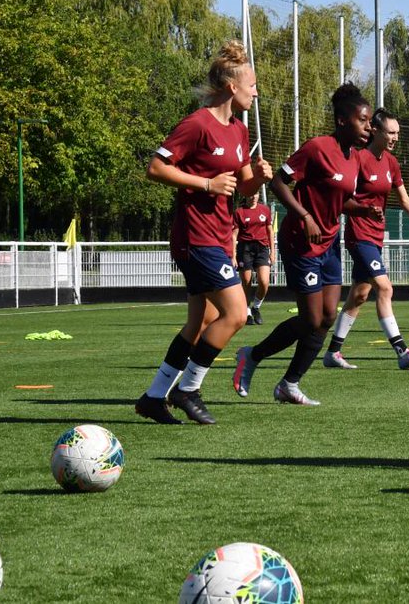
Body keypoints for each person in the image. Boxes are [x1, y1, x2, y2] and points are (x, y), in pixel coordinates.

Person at [134, 40, 274, 425]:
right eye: (253, 85)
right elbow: (156, 168)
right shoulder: (197, 124)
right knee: (237, 313)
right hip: (193, 238)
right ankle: (188, 389)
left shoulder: (239, 132)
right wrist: (205, 184)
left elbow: (242, 187)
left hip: (216, 236)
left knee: (199, 323)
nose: (256, 91)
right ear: (233, 87)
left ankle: (153, 397)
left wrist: (257, 179)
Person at [231, 83, 370, 404]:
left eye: (368, 121)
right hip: (300, 243)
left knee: (326, 318)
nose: (367, 127)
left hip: (329, 243)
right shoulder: (318, 148)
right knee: (309, 319)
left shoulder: (355, 159)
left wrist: (359, 208)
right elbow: (279, 180)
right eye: (362, 120)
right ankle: (252, 355)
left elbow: (337, 201)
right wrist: (304, 216)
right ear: (341, 121)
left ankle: (289, 385)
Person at [322, 109, 409, 370]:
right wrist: (362, 210)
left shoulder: (391, 162)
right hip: (359, 235)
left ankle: (332, 353)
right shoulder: (357, 158)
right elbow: (342, 198)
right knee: (385, 288)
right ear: (374, 131)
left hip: (376, 237)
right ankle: (402, 351)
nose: (395, 137)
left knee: (359, 295)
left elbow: (405, 200)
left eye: (398, 133)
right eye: (391, 132)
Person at [232, 193, 274, 325]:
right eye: (251, 193)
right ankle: (246, 311)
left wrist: (272, 252)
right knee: (246, 281)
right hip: (245, 249)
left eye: (256, 193)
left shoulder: (265, 209)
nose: (253, 196)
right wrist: (233, 255)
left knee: (264, 281)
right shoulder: (239, 212)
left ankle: (256, 307)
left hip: (262, 248)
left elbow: (270, 230)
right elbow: (234, 235)